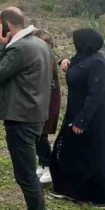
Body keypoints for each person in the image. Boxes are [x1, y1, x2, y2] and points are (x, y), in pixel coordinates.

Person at [0, 7, 52, 210]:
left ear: (6, 25)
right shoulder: (39, 43)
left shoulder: (19, 48)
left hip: (21, 118)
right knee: (28, 170)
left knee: (25, 173)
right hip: (35, 114)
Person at [49, 29, 105, 208]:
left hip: (94, 118)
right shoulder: (82, 57)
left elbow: (95, 95)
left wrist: (82, 120)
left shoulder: (98, 63)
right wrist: (63, 61)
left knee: (97, 157)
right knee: (73, 151)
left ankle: (103, 197)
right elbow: (75, 66)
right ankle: (72, 191)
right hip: (76, 112)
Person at [32, 29, 62, 185]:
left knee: (41, 134)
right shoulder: (44, 56)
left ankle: (49, 166)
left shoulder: (47, 57)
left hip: (47, 101)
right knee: (37, 134)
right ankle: (43, 164)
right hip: (42, 100)